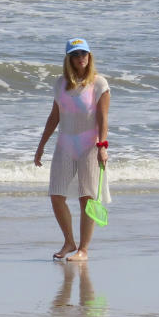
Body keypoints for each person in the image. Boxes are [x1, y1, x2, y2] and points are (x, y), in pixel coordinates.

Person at [34, 37, 110, 262]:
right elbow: (54, 117)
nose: (80, 58)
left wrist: (102, 146)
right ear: (68, 58)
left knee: (87, 198)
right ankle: (69, 241)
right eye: (75, 55)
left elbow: (103, 118)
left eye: (84, 54)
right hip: (65, 145)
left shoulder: (99, 84)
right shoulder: (60, 84)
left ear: (90, 56)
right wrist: (41, 146)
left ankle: (83, 250)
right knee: (56, 196)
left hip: (89, 146)